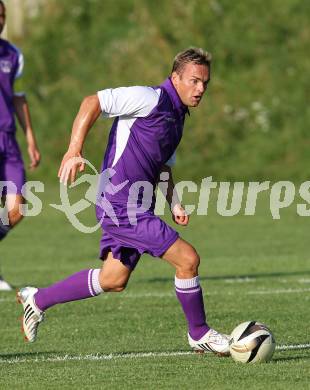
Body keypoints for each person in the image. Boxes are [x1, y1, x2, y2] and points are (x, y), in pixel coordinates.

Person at [17, 47, 230, 355]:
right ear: (176, 78)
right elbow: (93, 102)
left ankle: (37, 300)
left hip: (136, 205)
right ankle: (198, 333)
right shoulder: (149, 98)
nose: (200, 90)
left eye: (205, 84)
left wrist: (174, 203)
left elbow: (163, 166)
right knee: (188, 259)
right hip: (119, 203)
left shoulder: (177, 116)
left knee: (113, 278)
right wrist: (74, 150)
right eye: (194, 81)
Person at [0, 0, 41, 290]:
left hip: (9, 139)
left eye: (2, 15)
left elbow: (17, 97)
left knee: (18, 209)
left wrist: (30, 139)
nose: (0, 20)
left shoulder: (13, 55)